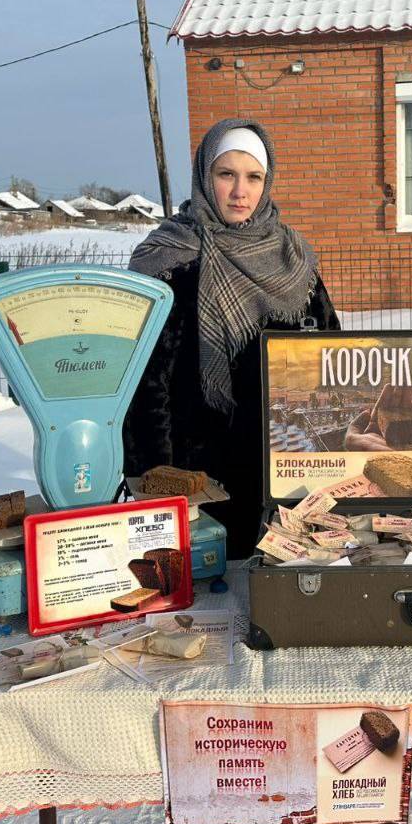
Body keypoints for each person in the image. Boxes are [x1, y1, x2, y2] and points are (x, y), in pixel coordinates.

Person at [124, 118, 340, 557]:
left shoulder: (294, 259)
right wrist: (156, 481)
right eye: (227, 175)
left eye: (253, 177)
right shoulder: (167, 259)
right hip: (199, 483)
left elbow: (331, 357)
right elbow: (145, 390)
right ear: (206, 176)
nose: (241, 191)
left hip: (286, 474)